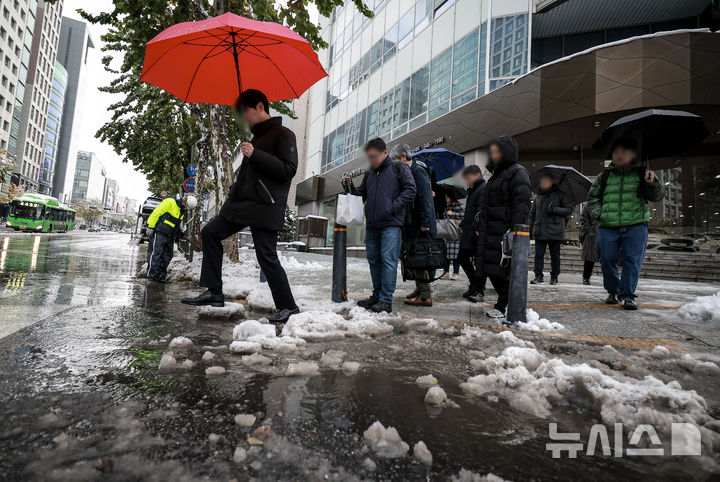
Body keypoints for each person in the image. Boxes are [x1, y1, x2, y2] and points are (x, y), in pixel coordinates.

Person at [182, 89, 299, 324]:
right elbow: (249, 176)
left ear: (259, 107)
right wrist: (233, 192)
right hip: (242, 204)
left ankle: (288, 307)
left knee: (266, 255)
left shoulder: (283, 134)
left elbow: (288, 170)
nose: (243, 117)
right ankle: (214, 292)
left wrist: (255, 155)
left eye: (245, 112)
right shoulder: (254, 138)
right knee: (210, 232)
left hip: (265, 205)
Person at [586, 137, 664, 310]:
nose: (619, 155)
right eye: (616, 152)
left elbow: (657, 197)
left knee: (632, 260)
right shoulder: (604, 176)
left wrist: (652, 183)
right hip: (608, 225)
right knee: (606, 259)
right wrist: (600, 214)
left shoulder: (642, 174)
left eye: (624, 151)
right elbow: (592, 199)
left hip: (636, 224)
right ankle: (613, 290)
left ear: (634, 154)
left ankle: (628, 295)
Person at [344, 138, 416, 313]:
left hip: (391, 223)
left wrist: (392, 207)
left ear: (385, 153)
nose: (372, 160)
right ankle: (377, 295)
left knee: (389, 261)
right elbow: (361, 194)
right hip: (373, 224)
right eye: (369, 157)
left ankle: (385, 300)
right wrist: (350, 186)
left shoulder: (399, 168)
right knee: (374, 261)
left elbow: (410, 190)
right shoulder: (370, 173)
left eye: (374, 156)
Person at [474, 136, 532, 317]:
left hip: (504, 232)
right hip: (489, 231)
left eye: (497, 152)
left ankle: (504, 304)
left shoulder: (518, 173)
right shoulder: (495, 176)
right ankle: (503, 301)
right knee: (489, 268)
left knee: (501, 270)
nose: (494, 155)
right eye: (492, 152)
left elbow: (521, 205)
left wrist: (517, 231)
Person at [389, 143, 436, 307]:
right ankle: (419, 289)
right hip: (411, 224)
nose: (393, 164)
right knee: (413, 257)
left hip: (420, 225)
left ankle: (425, 295)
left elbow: (425, 200)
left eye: (394, 160)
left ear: (402, 157)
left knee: (420, 258)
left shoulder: (417, 171)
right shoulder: (407, 171)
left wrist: (425, 223)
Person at [528, 174, 573, 285]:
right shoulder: (538, 197)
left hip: (555, 230)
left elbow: (569, 210)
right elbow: (532, 214)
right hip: (539, 230)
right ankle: (538, 275)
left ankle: (554, 277)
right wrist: (530, 229)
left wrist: (554, 209)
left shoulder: (561, 195)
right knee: (538, 255)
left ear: (552, 182)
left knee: (555, 255)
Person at [146, 194, 197, 283]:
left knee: (167, 256)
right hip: (160, 232)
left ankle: (161, 277)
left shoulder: (181, 210)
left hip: (170, 235)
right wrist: (150, 226)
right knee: (156, 254)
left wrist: (179, 233)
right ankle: (152, 277)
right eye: (186, 207)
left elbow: (177, 223)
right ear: (184, 202)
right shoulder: (170, 202)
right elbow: (156, 212)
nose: (186, 209)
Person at [458, 165, 487, 301]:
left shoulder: (483, 189)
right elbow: (470, 212)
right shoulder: (474, 190)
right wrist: (463, 224)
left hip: (476, 232)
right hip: (469, 231)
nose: (467, 181)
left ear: (477, 175)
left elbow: (482, 210)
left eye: (468, 178)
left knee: (479, 262)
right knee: (462, 257)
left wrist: (477, 228)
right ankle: (474, 285)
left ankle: (479, 290)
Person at [443, 192, 464, 280]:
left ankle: (456, 273)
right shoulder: (447, 206)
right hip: (448, 232)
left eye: (446, 197)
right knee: (446, 254)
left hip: (456, 232)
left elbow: (464, 215)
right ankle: (446, 272)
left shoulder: (459, 205)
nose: (446, 199)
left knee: (456, 254)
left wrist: (453, 214)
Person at [578, 203, 599, 285]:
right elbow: (583, 219)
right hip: (592, 235)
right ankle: (586, 277)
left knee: (607, 259)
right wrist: (590, 230)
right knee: (589, 258)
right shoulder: (589, 205)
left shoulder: (607, 203)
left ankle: (609, 279)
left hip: (605, 233)